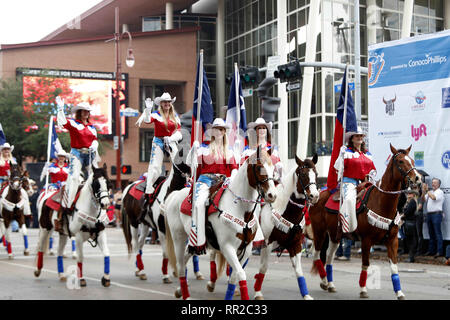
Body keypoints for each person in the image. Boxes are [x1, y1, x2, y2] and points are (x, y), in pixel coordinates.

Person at [187, 118, 238, 254]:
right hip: (205, 180)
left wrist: (232, 176)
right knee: (198, 204)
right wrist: (193, 150)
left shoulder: (230, 150)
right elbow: (190, 164)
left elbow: (234, 168)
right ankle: (198, 240)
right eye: (217, 129)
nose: (220, 132)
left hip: (223, 182)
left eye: (222, 129)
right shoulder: (203, 148)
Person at [55, 96, 100, 231]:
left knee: (98, 178)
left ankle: (100, 207)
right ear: (79, 112)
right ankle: (68, 206)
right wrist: (60, 109)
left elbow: (95, 139)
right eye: (83, 111)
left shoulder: (92, 127)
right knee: (74, 177)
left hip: (90, 154)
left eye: (87, 111)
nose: (85, 113)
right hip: (77, 154)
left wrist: (95, 145)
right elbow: (61, 122)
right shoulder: (74, 123)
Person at [137, 93, 182, 214]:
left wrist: (171, 139)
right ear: (161, 104)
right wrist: (147, 109)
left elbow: (179, 132)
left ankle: (184, 184)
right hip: (158, 142)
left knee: (180, 164)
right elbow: (147, 121)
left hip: (171, 141)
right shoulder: (156, 115)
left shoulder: (175, 116)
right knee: (155, 167)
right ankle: (148, 192)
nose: (167, 104)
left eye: (168, 102)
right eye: (164, 102)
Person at [334, 127, 376, 235]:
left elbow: (372, 170)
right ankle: (349, 227)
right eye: (357, 136)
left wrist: (371, 176)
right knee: (348, 200)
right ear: (352, 139)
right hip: (349, 183)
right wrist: (340, 155)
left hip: (365, 183)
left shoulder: (368, 154)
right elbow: (337, 167)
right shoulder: (346, 152)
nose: (359, 138)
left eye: (361, 136)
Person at [423, 178, 445, 257]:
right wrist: (423, 191)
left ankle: (439, 251)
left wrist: (427, 190)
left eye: (435, 183)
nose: (433, 184)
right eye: (432, 183)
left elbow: (433, 197)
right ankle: (431, 251)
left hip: (436, 214)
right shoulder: (430, 192)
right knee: (431, 234)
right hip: (429, 215)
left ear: (439, 184)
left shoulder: (440, 192)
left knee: (437, 233)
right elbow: (423, 199)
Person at [401, 189, 419, 262]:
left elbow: (407, 212)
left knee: (410, 240)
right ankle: (411, 256)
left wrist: (401, 216)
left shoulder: (412, 202)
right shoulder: (411, 202)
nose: (408, 195)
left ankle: (411, 257)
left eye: (410, 194)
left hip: (410, 223)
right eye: (408, 194)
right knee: (410, 240)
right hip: (410, 222)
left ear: (413, 195)